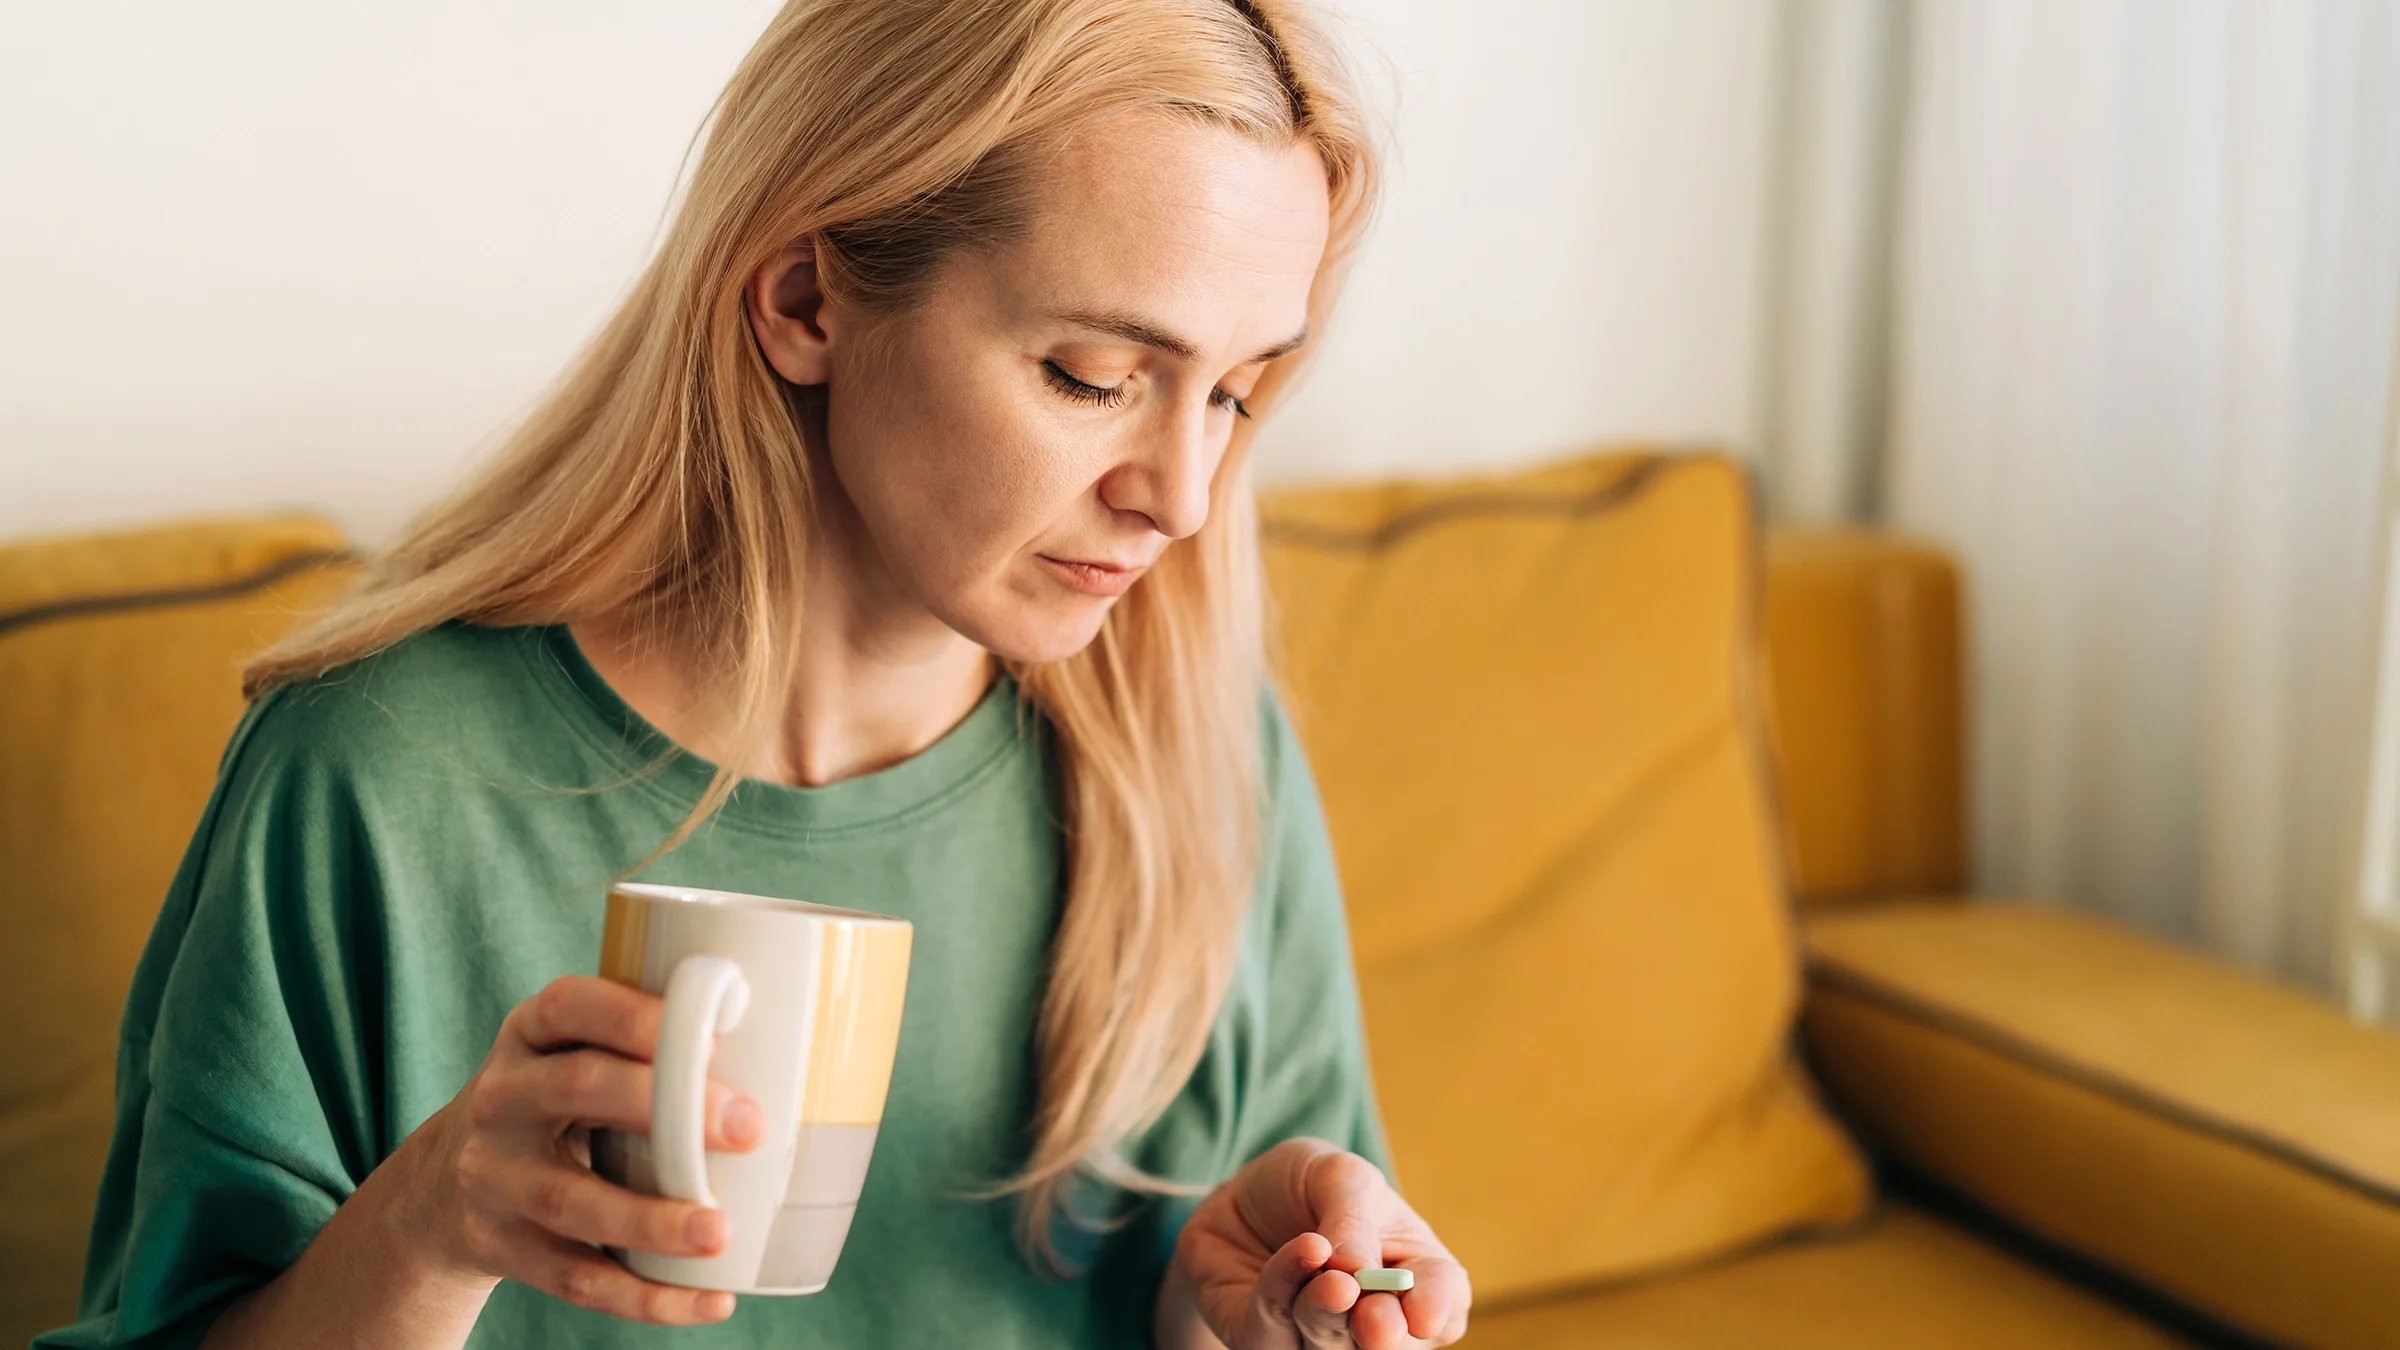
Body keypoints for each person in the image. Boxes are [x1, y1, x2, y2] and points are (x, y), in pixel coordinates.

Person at [36, 0, 1472, 1346]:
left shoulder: (1201, 761)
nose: (1181, 496)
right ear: (803, 299)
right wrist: (428, 1226)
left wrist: (1225, 1316)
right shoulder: (377, 780)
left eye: (1231, 393)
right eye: (1094, 374)